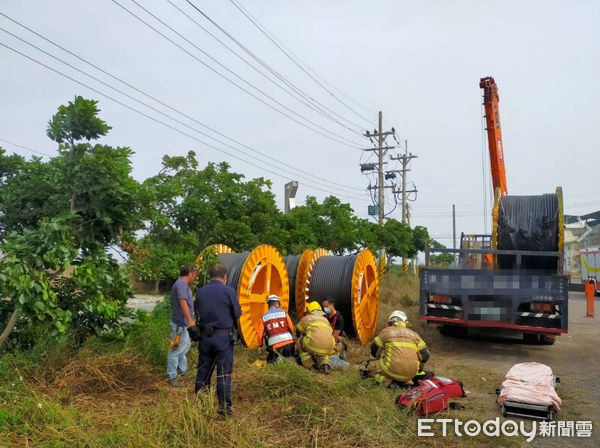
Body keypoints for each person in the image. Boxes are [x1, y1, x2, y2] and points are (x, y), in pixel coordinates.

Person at [194, 264, 242, 417]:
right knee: (223, 373)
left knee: (203, 372)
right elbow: (237, 313)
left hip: (204, 337)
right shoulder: (229, 291)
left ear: (210, 276)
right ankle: (224, 408)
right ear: (225, 277)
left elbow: (196, 311)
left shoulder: (201, 292)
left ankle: (201, 405)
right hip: (223, 337)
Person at [360, 310, 430, 387]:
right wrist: (420, 369)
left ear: (390, 322)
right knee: (402, 373)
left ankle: (388, 383)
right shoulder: (414, 335)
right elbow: (425, 355)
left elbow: (374, 349)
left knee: (369, 367)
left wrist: (373, 361)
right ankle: (407, 383)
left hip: (391, 370)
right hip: (411, 373)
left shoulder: (386, 332)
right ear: (405, 321)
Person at [167, 264, 197, 387]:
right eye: (194, 274)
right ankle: (172, 376)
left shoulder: (182, 284)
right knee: (175, 350)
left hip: (182, 324)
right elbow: (182, 302)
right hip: (180, 324)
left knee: (184, 348)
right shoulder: (181, 284)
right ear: (190, 273)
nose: (195, 277)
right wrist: (190, 320)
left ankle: (182, 370)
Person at [296, 301, 335, 374]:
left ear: (309, 310)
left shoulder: (307, 318)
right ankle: (325, 364)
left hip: (313, 346)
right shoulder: (326, 320)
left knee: (299, 341)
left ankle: (310, 365)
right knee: (323, 348)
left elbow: (298, 332)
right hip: (329, 347)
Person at [257, 294, 296, 363]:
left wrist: (260, 346)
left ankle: (277, 359)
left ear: (269, 304)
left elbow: (259, 335)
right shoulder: (284, 313)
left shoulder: (263, 318)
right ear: (276, 304)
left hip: (276, 348)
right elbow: (291, 328)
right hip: (290, 346)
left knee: (270, 362)